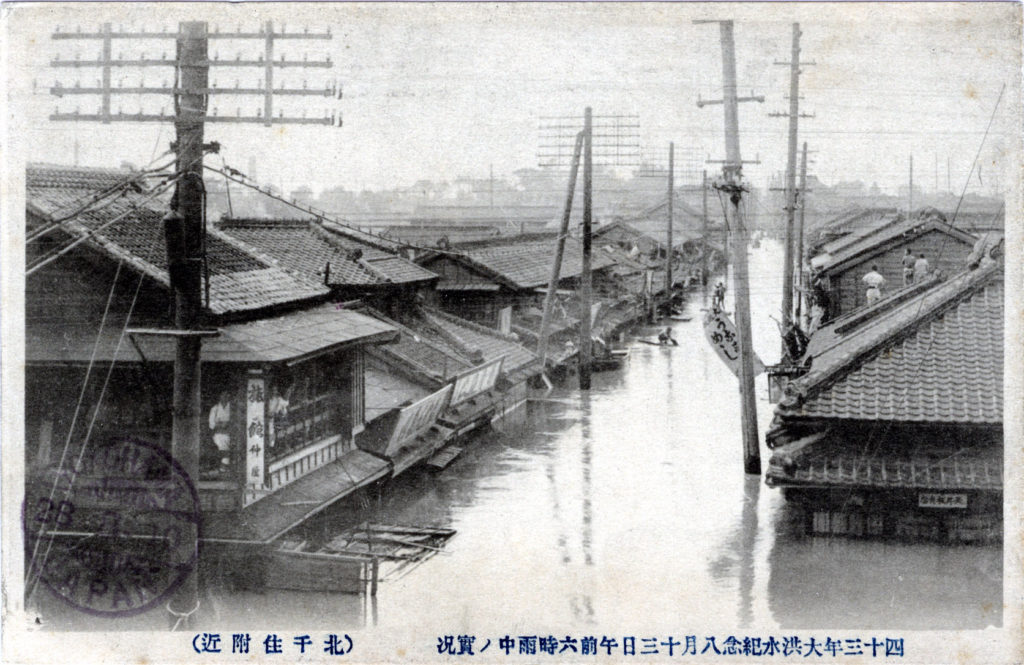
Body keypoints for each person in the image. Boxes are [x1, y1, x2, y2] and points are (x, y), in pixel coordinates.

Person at [208, 391, 233, 470]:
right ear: (220, 396)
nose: (225, 397)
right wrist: (220, 424)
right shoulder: (215, 409)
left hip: (231, 433)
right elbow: (211, 424)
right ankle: (224, 464)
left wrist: (227, 423)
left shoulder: (233, 408)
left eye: (227, 395)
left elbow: (236, 421)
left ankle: (225, 464)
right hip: (219, 434)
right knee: (221, 442)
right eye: (223, 395)